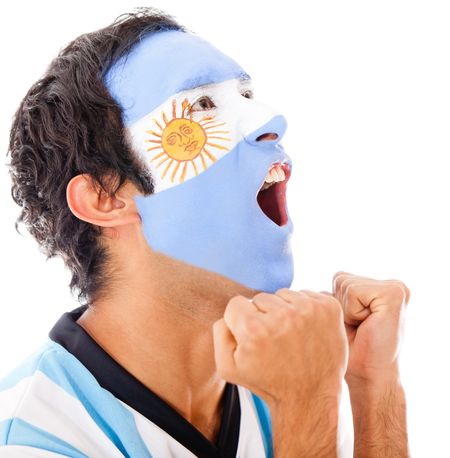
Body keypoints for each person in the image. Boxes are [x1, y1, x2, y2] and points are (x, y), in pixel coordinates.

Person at [0, 7, 410, 458]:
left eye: (248, 94)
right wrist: (306, 403)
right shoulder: (34, 437)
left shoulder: (275, 375)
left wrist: (374, 386)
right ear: (105, 197)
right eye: (204, 105)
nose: (271, 121)